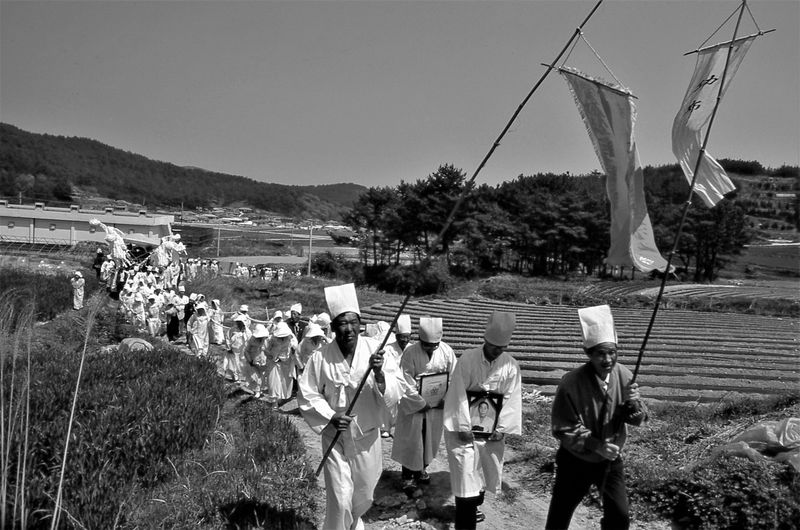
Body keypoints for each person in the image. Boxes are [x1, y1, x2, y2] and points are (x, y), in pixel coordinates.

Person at [298, 283, 403, 530]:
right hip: (336, 438)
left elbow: (395, 390)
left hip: (367, 437)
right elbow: (308, 394)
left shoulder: (376, 352)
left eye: (352, 322)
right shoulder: (320, 357)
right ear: (333, 327)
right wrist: (331, 416)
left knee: (364, 495)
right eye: (342, 323)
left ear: (360, 323)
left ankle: (354, 523)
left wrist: (378, 374)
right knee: (340, 496)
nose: (348, 329)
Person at [545, 305, 648, 530]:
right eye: (601, 353)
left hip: (610, 458)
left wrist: (634, 403)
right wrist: (596, 445)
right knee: (560, 515)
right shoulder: (571, 383)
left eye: (612, 352)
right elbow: (563, 427)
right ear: (589, 354)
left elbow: (637, 419)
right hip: (576, 460)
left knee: (619, 516)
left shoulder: (625, 376)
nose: (608, 359)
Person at [443, 311, 522, 530]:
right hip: (464, 432)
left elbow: (511, 397)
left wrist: (502, 428)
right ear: (485, 340)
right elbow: (457, 393)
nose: (497, 351)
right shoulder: (468, 359)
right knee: (464, 481)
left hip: (490, 433)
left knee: (481, 478)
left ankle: (474, 507)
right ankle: (465, 523)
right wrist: (462, 426)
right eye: (493, 346)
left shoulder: (510, 366)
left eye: (501, 348)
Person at [392, 317, 457, 493]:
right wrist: (421, 402)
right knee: (413, 440)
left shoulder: (446, 351)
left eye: (434, 345)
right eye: (426, 345)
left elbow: (454, 377)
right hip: (416, 406)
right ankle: (407, 477)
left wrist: (447, 397)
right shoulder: (411, 352)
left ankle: (422, 468)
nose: (430, 348)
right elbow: (405, 381)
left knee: (430, 439)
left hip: (437, 406)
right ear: (420, 340)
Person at [264, 321, 301, 407]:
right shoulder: (271, 339)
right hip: (274, 363)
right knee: (273, 382)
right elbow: (265, 349)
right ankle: (274, 402)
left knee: (284, 382)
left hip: (287, 363)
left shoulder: (291, 338)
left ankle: (281, 398)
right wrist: (271, 356)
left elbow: (296, 349)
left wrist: (293, 349)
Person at [242, 323, 270, 398]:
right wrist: (249, 360)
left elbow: (268, 350)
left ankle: (260, 389)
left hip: (263, 361)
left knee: (262, 376)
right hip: (254, 360)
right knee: (255, 376)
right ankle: (257, 391)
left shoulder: (266, 340)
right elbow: (246, 351)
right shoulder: (251, 340)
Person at [224, 315, 250, 382]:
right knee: (234, 363)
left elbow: (249, 340)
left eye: (240, 322)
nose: (238, 323)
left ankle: (243, 377)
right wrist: (229, 348)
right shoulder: (232, 330)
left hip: (243, 350)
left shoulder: (247, 332)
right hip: (234, 350)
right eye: (238, 322)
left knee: (242, 364)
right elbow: (227, 338)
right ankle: (235, 377)